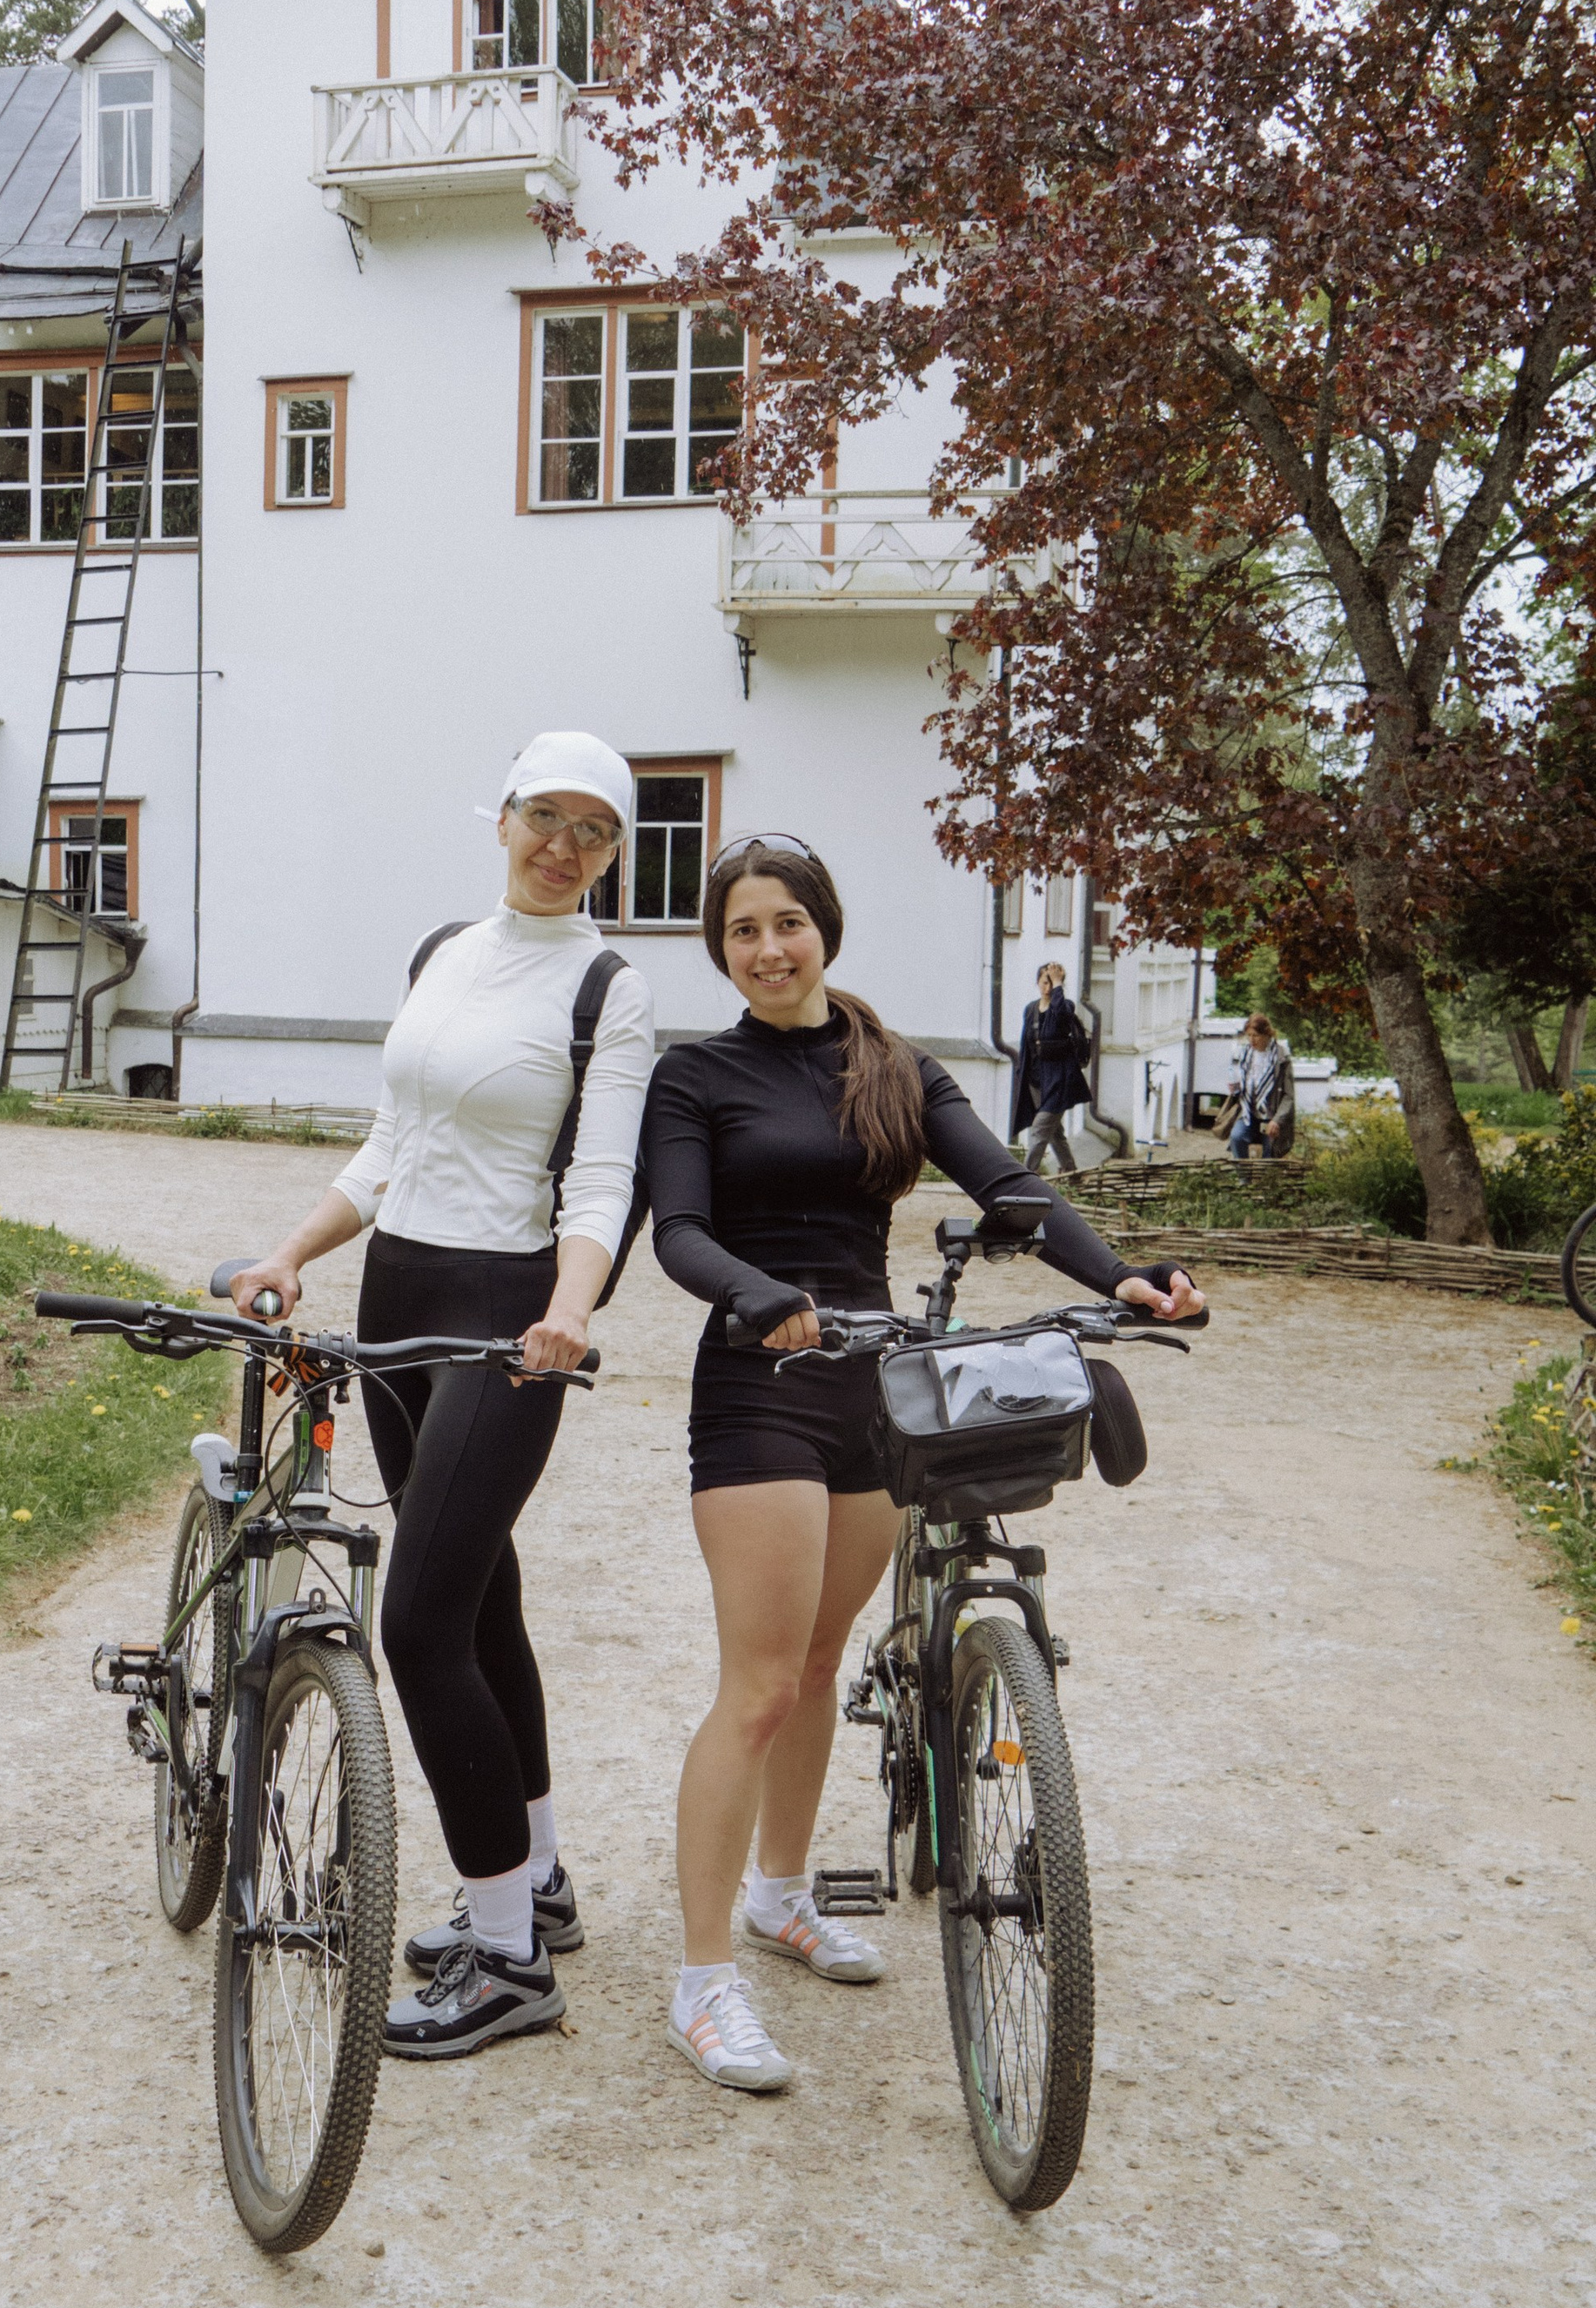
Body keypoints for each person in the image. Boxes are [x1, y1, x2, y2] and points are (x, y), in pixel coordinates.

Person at [640, 837, 1204, 2094]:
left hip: (874, 1381)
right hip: (760, 1383)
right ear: (721, 949)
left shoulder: (892, 1065)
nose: (769, 947)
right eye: (742, 930)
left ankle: (782, 1894)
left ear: (825, 928)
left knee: (821, 1661)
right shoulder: (696, 1074)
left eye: (788, 922)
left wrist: (1123, 1276)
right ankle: (701, 1980)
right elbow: (677, 1230)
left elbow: (1008, 1186)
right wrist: (755, 1293)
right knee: (760, 1685)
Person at [230, 735, 654, 2062]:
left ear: (614, 850)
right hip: (399, 1297)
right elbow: (393, 1145)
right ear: (504, 817)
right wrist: (294, 1250)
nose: (563, 846)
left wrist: (571, 1308)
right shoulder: (443, 953)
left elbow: (603, 1176)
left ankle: (509, 1958)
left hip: (510, 1318)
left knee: (417, 1623)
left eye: (594, 829)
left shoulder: (609, 987)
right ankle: (540, 1875)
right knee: (481, 1598)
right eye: (545, 816)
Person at [1009, 958, 1092, 1175]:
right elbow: (1026, 1044)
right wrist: (1022, 1073)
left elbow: (1060, 1017)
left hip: (1059, 1082)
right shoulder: (1030, 1009)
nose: (1048, 988)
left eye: (1052, 983)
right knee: (1054, 1132)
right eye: (1045, 982)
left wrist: (1058, 984)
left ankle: (1026, 1176)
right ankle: (1071, 1172)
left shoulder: (1065, 1006)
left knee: (1039, 1130)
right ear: (1037, 982)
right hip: (1035, 1082)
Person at [1224, 1013, 1296, 1162]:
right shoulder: (1245, 1054)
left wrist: (1277, 1120)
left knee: (1270, 1154)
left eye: (1256, 1035)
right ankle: (1244, 1175)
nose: (1252, 1040)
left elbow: (1289, 1096)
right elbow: (1242, 1083)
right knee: (1236, 1137)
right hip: (1248, 1114)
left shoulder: (1281, 1057)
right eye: (1249, 1035)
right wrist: (1236, 1088)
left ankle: (1266, 1176)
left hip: (1272, 1117)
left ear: (1266, 1034)